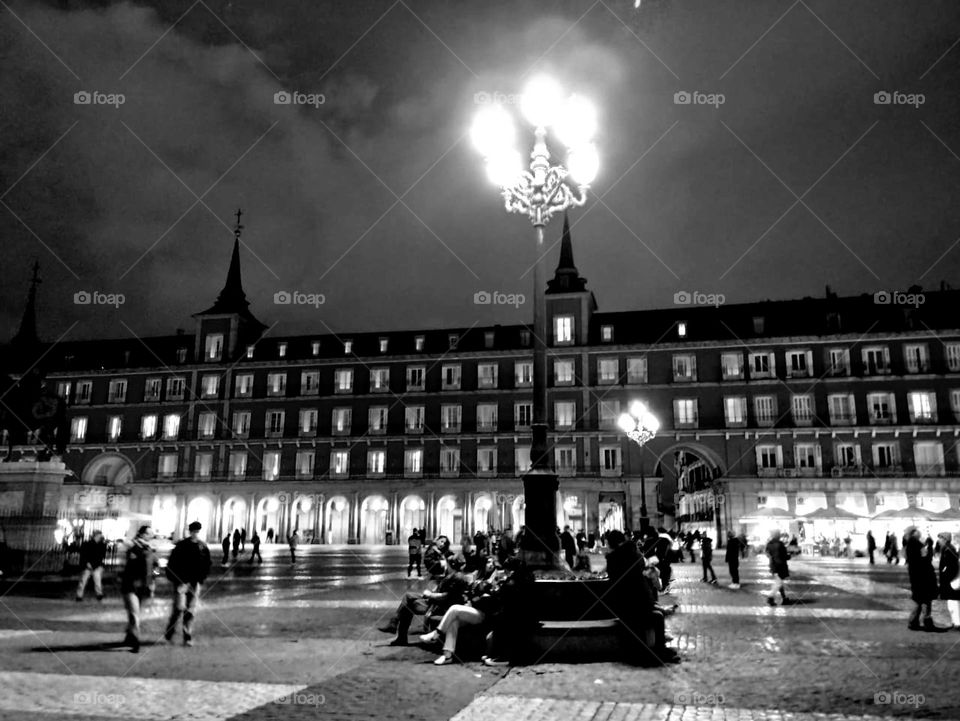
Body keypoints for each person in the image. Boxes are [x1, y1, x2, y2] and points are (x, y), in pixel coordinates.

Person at [604, 530, 678, 665]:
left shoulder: (613, 559)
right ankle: (659, 651)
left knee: (657, 614)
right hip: (634, 604)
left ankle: (658, 651)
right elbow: (639, 581)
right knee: (657, 616)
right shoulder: (634, 554)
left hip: (625, 604)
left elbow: (616, 581)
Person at [420, 558, 499, 664]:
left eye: (493, 563)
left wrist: (477, 596)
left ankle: (436, 634)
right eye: (488, 562)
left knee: (455, 608)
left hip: (483, 613)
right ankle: (447, 655)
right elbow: (470, 592)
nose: (490, 565)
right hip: (472, 609)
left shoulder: (495, 579)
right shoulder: (477, 576)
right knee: (454, 621)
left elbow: (490, 597)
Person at [381, 560, 470, 645]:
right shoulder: (454, 575)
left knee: (409, 602)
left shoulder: (456, 577)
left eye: (447, 563)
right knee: (408, 597)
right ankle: (395, 626)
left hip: (438, 605)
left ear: (451, 565)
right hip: (437, 602)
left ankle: (397, 630)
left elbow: (446, 596)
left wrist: (430, 595)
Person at [164, 521, 212, 647]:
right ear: (190, 531)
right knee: (179, 608)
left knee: (190, 610)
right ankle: (170, 629)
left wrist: (202, 578)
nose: (195, 533)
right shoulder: (181, 545)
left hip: (195, 583)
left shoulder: (202, 546)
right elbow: (172, 564)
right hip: (181, 582)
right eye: (194, 531)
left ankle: (187, 634)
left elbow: (207, 563)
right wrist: (176, 579)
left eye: (197, 531)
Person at [119, 525, 157, 652]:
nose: (151, 536)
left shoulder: (150, 548)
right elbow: (126, 563)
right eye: (149, 534)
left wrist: (153, 580)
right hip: (130, 585)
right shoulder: (133, 546)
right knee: (135, 614)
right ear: (142, 534)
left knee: (134, 613)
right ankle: (135, 642)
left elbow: (155, 567)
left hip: (142, 586)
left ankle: (129, 636)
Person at [905, 526, 938, 631]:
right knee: (926, 599)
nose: (919, 532)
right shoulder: (916, 544)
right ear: (913, 533)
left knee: (920, 600)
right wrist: (929, 549)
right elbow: (924, 559)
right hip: (923, 577)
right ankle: (926, 622)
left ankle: (913, 622)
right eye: (917, 531)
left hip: (917, 576)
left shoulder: (911, 544)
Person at [75, 530, 107, 602]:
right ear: (96, 536)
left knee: (86, 579)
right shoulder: (100, 545)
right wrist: (89, 564)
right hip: (93, 565)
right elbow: (99, 557)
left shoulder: (89, 544)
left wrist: (89, 564)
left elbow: (100, 557)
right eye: (99, 535)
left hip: (92, 565)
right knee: (90, 579)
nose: (100, 537)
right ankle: (98, 594)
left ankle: (79, 595)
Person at [937, 532, 960, 629]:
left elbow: (952, 566)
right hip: (952, 580)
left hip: (952, 581)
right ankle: (956, 622)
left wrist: (946, 576)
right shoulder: (948, 548)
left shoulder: (948, 549)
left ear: (945, 539)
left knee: (953, 602)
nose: (938, 540)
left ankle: (957, 623)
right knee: (953, 602)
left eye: (940, 538)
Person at [765, 531, 790, 606]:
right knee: (778, 583)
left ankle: (784, 597)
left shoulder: (769, 544)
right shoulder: (780, 544)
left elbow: (768, 554)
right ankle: (770, 597)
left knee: (779, 582)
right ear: (778, 535)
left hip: (773, 565)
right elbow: (784, 556)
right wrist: (790, 556)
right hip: (780, 565)